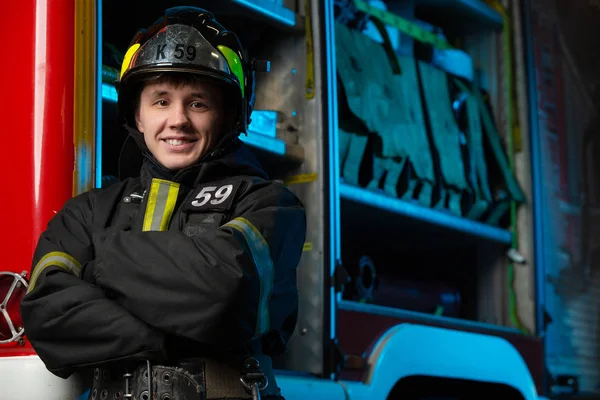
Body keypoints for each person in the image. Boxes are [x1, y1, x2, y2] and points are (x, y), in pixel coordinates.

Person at [20, 6, 306, 400]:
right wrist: (183, 331)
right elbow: (47, 316)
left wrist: (100, 266)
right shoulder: (85, 212)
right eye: (160, 101)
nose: (178, 120)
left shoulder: (269, 205)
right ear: (136, 115)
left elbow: (225, 298)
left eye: (198, 103)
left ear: (226, 116)